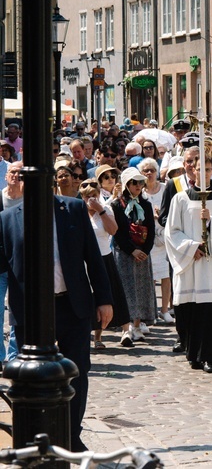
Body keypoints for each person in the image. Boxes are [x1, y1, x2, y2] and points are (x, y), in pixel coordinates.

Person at [0, 194, 114, 452]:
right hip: (30, 309)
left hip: (71, 304)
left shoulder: (72, 208)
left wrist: (104, 299)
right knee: (29, 375)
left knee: (77, 370)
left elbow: (93, 256)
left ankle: (71, 435)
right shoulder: (7, 219)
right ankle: (35, 435)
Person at [164, 155, 212, 373]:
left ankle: (210, 356)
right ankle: (192, 353)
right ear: (192, 171)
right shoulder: (180, 199)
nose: (203, 173)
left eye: (208, 169)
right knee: (190, 310)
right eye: (199, 169)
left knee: (211, 310)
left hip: (211, 263)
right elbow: (171, 231)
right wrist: (190, 247)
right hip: (191, 262)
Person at [80, 178, 131, 349]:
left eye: (94, 195)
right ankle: (89, 335)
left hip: (104, 257)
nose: (91, 199)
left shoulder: (106, 209)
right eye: (87, 197)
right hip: (84, 259)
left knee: (108, 295)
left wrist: (100, 209)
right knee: (88, 297)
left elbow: (113, 230)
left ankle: (106, 334)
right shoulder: (78, 211)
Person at [110, 168, 157, 345]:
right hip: (125, 252)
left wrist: (145, 249)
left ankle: (138, 325)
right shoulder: (116, 205)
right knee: (126, 288)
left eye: (140, 182)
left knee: (141, 288)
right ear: (127, 184)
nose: (138, 186)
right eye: (134, 183)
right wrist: (131, 250)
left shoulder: (146, 204)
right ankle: (126, 326)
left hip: (142, 252)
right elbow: (118, 232)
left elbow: (151, 228)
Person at [138, 158, 173, 323]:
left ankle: (165, 309)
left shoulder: (165, 188)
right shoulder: (140, 191)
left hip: (164, 235)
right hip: (147, 238)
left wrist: (161, 215)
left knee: (166, 275)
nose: (149, 173)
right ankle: (150, 311)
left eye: (152, 170)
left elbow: (172, 209)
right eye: (146, 171)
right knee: (149, 276)